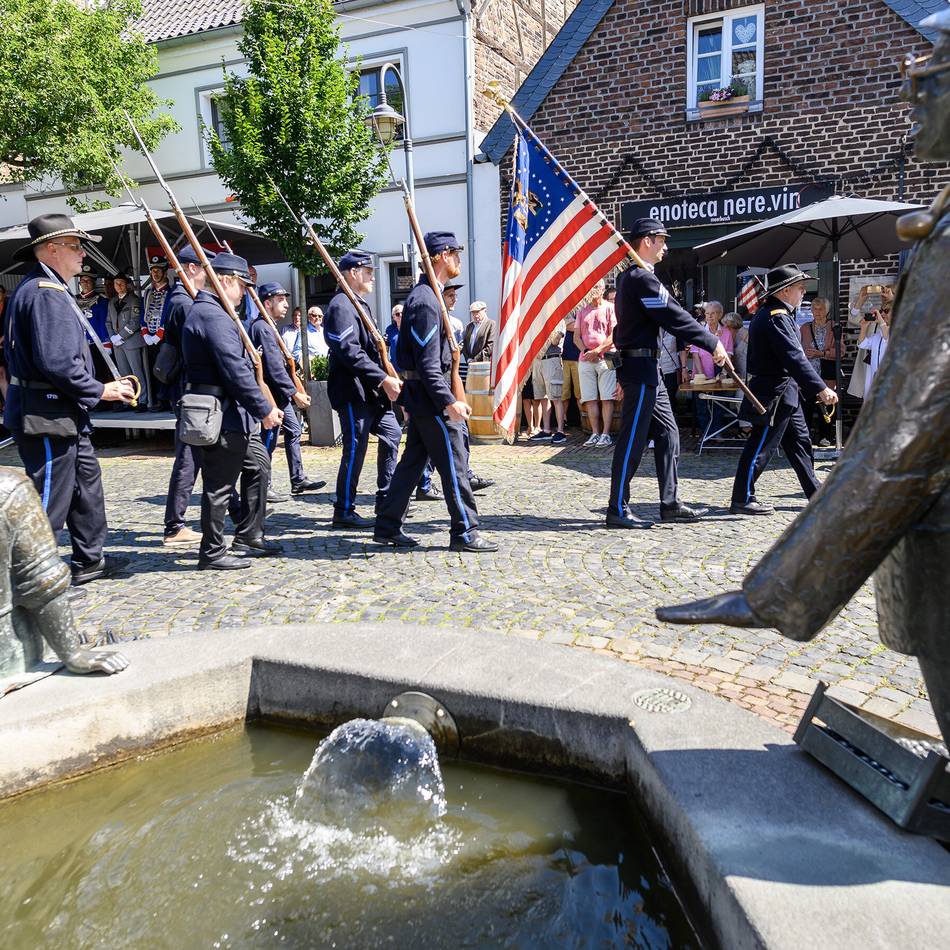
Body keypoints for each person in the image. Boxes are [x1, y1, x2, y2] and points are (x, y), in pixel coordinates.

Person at [656, 7, 950, 745]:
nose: (913, 91)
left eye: (933, 75)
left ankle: (773, 490)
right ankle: (755, 490)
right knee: (772, 442)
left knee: (779, 443)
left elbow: (903, 443)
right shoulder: (778, 318)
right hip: (787, 391)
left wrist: (775, 590)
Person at [3, 213, 135, 584]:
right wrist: (101, 390)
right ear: (51, 249)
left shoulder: (47, 289)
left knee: (85, 489)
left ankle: (89, 560)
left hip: (60, 412)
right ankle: (30, 581)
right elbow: (58, 363)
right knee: (49, 500)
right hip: (46, 413)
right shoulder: (45, 294)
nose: (83, 255)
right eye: (75, 247)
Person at [374, 232, 497, 552]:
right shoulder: (426, 300)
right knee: (455, 465)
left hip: (424, 395)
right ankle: (465, 531)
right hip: (433, 397)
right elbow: (428, 365)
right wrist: (449, 401)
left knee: (412, 463)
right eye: (455, 253)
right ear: (442, 256)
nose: (458, 259)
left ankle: (387, 525)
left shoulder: (427, 296)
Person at [607, 218, 727, 528]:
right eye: (662, 240)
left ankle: (670, 503)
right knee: (632, 440)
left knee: (668, 433)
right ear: (646, 240)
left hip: (649, 368)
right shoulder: (640, 279)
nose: (666, 247)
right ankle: (617, 508)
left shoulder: (633, 278)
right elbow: (673, 315)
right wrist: (711, 341)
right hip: (640, 368)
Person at [181, 252, 283, 569]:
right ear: (225, 280)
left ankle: (249, 534)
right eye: (242, 285)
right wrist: (264, 408)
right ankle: (211, 552)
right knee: (219, 486)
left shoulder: (213, 312)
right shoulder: (213, 316)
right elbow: (235, 370)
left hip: (230, 414)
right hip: (221, 415)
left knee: (258, 465)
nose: (243, 293)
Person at [729, 264, 837, 516]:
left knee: (800, 443)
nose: (803, 294)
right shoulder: (775, 316)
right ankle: (742, 497)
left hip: (786, 392)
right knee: (760, 446)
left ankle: (814, 492)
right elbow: (793, 357)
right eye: (800, 289)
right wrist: (821, 388)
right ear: (786, 291)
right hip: (773, 392)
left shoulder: (777, 314)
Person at [323, 251, 402, 529]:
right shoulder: (341, 305)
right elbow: (349, 351)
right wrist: (382, 378)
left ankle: (385, 497)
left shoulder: (359, 304)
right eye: (368, 272)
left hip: (370, 393)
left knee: (393, 434)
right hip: (353, 390)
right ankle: (343, 510)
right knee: (355, 450)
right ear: (353, 272)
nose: (372, 276)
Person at [250, 282, 325, 497]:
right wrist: (295, 393)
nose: (286, 304)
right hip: (271, 395)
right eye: (280, 300)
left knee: (294, 430)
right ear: (267, 303)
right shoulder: (262, 328)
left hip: (279, 393)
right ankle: (263, 484)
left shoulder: (269, 326)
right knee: (269, 438)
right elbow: (273, 368)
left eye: (285, 299)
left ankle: (298, 479)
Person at [161, 246, 208, 547]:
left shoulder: (183, 300)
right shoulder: (183, 302)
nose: (208, 274)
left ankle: (238, 511)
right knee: (189, 457)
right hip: (188, 389)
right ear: (190, 269)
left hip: (189, 389)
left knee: (202, 454)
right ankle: (174, 525)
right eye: (204, 267)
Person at [574, 279, 617, 447]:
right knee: (590, 398)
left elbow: (614, 334)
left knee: (607, 397)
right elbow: (576, 337)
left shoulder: (610, 308)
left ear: (602, 289)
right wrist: (586, 352)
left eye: (596, 287)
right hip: (585, 359)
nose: (593, 290)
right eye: (590, 287)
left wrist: (598, 350)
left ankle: (606, 434)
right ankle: (594, 433)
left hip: (606, 357)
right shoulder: (582, 310)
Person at [689, 300, 733, 436]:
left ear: (720, 315)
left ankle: (717, 432)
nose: (709, 316)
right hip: (701, 372)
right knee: (702, 405)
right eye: (707, 313)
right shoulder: (700, 331)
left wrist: (724, 373)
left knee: (719, 404)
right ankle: (706, 433)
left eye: (713, 313)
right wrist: (701, 374)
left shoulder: (726, 332)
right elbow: (695, 354)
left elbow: (729, 354)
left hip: (720, 372)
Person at [799, 296, 838, 444]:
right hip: (809, 373)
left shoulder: (834, 327)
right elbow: (798, 348)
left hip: (826, 372)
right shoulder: (805, 328)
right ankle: (805, 436)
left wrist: (822, 354)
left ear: (827, 311)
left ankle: (825, 437)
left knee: (826, 404)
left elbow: (841, 351)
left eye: (820, 309)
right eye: (814, 309)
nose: (817, 312)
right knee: (806, 406)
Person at [107, 273, 146, 413]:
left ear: (127, 285)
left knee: (137, 373)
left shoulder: (134, 300)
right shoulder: (112, 302)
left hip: (131, 341)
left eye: (121, 283)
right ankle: (128, 400)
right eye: (116, 283)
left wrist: (121, 336)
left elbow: (135, 322)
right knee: (123, 374)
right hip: (117, 343)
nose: (118, 286)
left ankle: (142, 400)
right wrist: (113, 337)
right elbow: (108, 322)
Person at [140, 255, 172, 408]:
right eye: (153, 271)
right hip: (150, 336)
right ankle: (158, 399)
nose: (155, 274)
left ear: (165, 272)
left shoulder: (171, 293)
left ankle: (167, 399)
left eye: (158, 270)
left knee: (165, 367)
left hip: (164, 337)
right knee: (152, 367)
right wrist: (145, 331)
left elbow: (168, 314)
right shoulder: (147, 293)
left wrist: (160, 333)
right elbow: (143, 314)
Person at [528, 322, 567, 443]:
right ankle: (546, 430)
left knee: (556, 397)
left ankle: (560, 431)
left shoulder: (558, 319)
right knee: (542, 397)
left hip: (552, 359)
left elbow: (555, 341)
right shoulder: (538, 319)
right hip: (537, 359)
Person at [849, 304, 891, 400]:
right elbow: (862, 344)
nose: (882, 313)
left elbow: (888, 337)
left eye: (887, 311)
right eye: (881, 311)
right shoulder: (878, 334)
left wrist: (881, 321)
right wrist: (864, 327)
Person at [561, 309, 582, 431]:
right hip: (563, 357)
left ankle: (584, 420)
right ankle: (563, 420)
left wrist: (575, 324)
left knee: (580, 393)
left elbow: (575, 326)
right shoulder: (566, 306)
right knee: (564, 393)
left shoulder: (584, 308)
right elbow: (565, 324)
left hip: (579, 357)